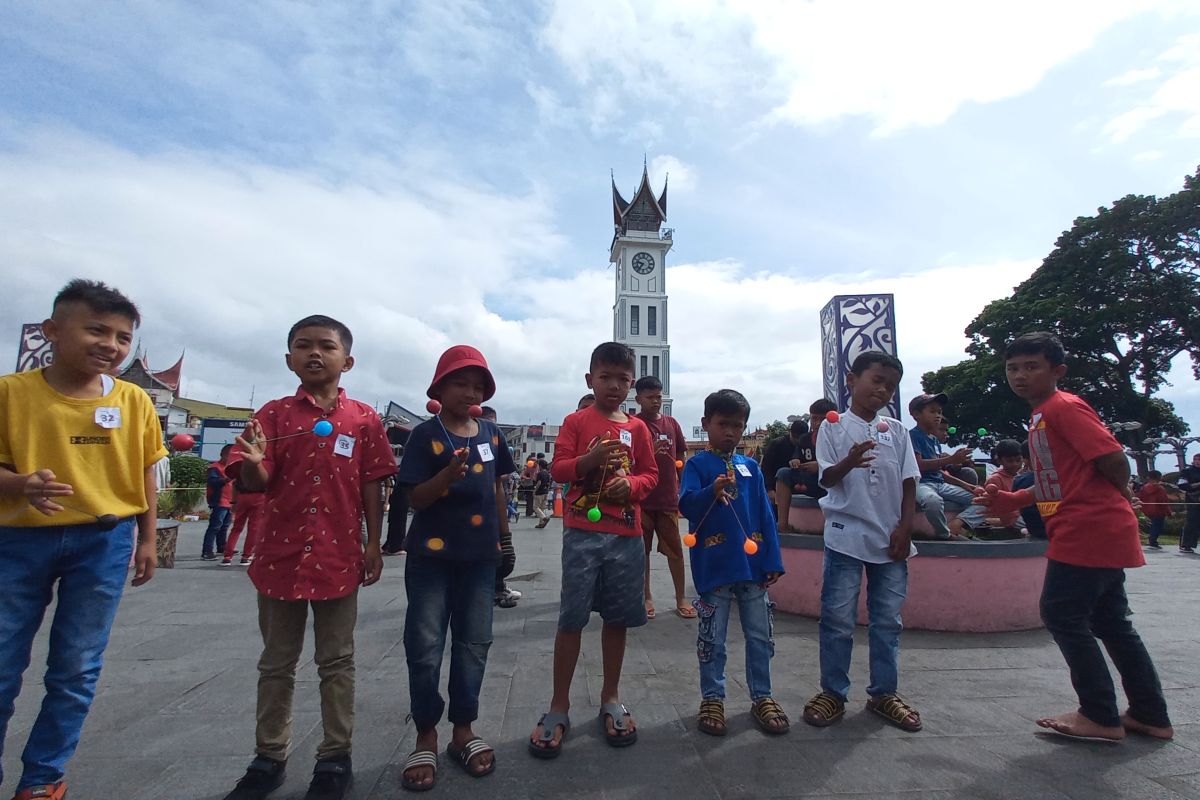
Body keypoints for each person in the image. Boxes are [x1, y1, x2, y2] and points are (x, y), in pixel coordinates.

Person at [0, 280, 165, 800]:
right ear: (52, 330)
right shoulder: (10, 393)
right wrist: (20, 485)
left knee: (75, 667)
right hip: (19, 541)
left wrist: (146, 538)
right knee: (3, 661)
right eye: (96, 330)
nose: (110, 345)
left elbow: (145, 473)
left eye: (121, 336)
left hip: (105, 540)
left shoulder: (134, 400)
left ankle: (43, 778)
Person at [221, 315, 395, 800]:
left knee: (337, 661)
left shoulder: (363, 419)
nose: (315, 354)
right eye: (303, 346)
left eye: (326, 346)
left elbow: (372, 483)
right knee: (276, 662)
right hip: (280, 556)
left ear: (348, 360)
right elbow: (254, 481)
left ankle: (335, 756)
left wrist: (373, 542)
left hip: (339, 558)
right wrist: (254, 465)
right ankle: (268, 757)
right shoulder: (273, 416)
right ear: (288, 359)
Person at [978, 331, 1171, 742]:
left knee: (1062, 614)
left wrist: (1120, 494)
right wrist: (1013, 499)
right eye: (1013, 368)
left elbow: (1113, 459)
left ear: (1057, 371)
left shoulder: (1062, 407)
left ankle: (1099, 714)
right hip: (1090, 527)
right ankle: (1149, 714)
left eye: (1032, 366)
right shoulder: (1042, 416)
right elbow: (1058, 480)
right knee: (1111, 622)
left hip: (1087, 528)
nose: (1020, 376)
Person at [528, 342, 658, 759]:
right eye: (606, 378)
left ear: (632, 385)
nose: (614, 386)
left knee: (617, 619)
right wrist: (591, 459)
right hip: (583, 534)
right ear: (590, 380)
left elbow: (650, 474)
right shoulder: (576, 420)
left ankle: (610, 697)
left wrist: (632, 486)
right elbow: (559, 469)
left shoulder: (638, 429)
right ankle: (558, 705)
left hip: (627, 535)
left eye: (623, 380)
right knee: (572, 619)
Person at [396, 345, 516, 791]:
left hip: (481, 559)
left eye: (477, 385)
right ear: (439, 387)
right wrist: (447, 475)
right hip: (430, 558)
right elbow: (415, 499)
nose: (468, 392)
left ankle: (462, 729)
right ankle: (426, 732)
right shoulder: (423, 435)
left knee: (475, 643)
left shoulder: (491, 433)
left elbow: (499, 489)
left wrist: (505, 540)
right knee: (425, 645)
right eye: (459, 383)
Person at [803, 351, 923, 733]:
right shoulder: (833, 429)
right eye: (877, 380)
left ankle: (884, 692)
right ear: (852, 380)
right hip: (846, 538)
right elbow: (825, 479)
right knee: (838, 618)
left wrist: (905, 528)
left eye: (891, 384)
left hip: (890, 540)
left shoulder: (898, 431)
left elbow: (909, 483)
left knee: (887, 620)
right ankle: (833, 692)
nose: (883, 389)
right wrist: (847, 463)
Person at [680, 389, 788, 736]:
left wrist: (772, 557)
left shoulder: (751, 467)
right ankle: (712, 696)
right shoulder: (697, 465)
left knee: (761, 636)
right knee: (713, 637)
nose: (730, 432)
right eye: (723, 424)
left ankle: (762, 695)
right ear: (705, 424)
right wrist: (709, 491)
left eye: (737, 426)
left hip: (753, 568)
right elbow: (685, 506)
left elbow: (765, 516)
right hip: (715, 565)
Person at [633, 375, 691, 619]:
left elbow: (682, 459)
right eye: (650, 397)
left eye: (658, 396)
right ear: (638, 399)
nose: (656, 401)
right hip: (642, 500)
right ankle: (646, 597)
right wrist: (649, 451)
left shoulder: (672, 423)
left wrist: (684, 488)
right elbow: (628, 461)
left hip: (668, 499)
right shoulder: (633, 424)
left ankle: (681, 597)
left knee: (675, 551)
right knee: (640, 553)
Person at [907, 393, 986, 540]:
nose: (937, 416)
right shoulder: (912, 436)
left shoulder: (934, 440)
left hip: (940, 484)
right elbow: (918, 466)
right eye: (932, 411)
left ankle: (957, 525)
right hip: (921, 484)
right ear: (916, 414)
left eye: (939, 412)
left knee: (985, 500)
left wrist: (968, 486)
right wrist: (951, 459)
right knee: (932, 501)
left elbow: (938, 471)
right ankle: (944, 534)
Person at [480, 407, 521, 609]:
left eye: (494, 422)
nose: (492, 426)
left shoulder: (495, 441)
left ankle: (496, 588)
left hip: (492, 514)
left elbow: (498, 484)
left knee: (501, 559)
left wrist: (506, 535)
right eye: (488, 421)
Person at [775, 399, 835, 532]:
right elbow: (797, 457)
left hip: (833, 484)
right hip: (810, 480)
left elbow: (846, 463)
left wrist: (820, 466)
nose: (818, 423)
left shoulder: (839, 438)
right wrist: (795, 462)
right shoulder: (805, 439)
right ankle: (783, 524)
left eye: (823, 419)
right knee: (783, 473)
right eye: (814, 418)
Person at [223, 477, 266, 566]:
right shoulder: (262, 467)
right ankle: (246, 556)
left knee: (236, 528)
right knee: (254, 529)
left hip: (242, 497)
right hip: (259, 496)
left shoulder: (241, 469)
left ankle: (227, 557)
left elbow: (234, 484)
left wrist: (234, 502)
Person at [983, 439, 1024, 530]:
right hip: (1010, 518)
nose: (1015, 464)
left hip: (1022, 515)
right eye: (1010, 461)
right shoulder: (995, 479)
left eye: (1018, 460)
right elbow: (991, 507)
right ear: (999, 461)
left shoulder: (1021, 476)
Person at [203, 444, 235, 559]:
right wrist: (226, 479)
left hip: (230, 501)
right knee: (215, 526)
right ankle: (207, 550)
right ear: (222, 454)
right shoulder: (214, 467)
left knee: (225, 526)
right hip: (219, 501)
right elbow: (212, 482)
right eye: (230, 455)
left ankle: (222, 547)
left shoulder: (232, 468)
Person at [1012, 441, 1046, 540]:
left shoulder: (1019, 480)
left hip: (1037, 531)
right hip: (1062, 529)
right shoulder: (1064, 477)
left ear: (1025, 460)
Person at [1137, 471, 1172, 550]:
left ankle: (1150, 540)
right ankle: (1153, 541)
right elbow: (1163, 501)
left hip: (1146, 509)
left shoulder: (1144, 488)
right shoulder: (1160, 489)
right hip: (1158, 510)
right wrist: (1169, 512)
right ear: (1159, 477)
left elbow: (1140, 497)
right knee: (1157, 526)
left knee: (1151, 525)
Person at [1177, 453, 1200, 553]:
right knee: (1192, 521)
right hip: (1193, 499)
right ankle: (1186, 544)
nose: (1198, 461)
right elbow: (1182, 485)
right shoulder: (1187, 471)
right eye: (1196, 459)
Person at [533, 458, 554, 528]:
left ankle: (544, 518)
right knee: (542, 508)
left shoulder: (540, 473)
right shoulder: (548, 474)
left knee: (536, 507)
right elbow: (548, 483)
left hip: (539, 492)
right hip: (545, 492)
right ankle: (541, 523)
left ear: (540, 466)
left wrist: (535, 490)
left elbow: (539, 482)